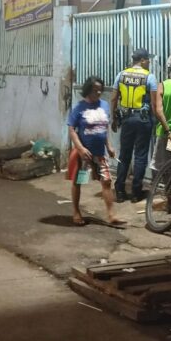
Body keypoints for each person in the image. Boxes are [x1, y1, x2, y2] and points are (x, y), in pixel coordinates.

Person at [66, 76, 124, 228]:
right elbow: (71, 129)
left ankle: (111, 215)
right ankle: (76, 212)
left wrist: (109, 146)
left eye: (100, 90)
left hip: (100, 153)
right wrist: (80, 148)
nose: (98, 92)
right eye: (94, 90)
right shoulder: (79, 108)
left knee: (106, 181)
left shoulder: (104, 105)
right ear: (88, 90)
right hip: (84, 155)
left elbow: (104, 129)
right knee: (79, 181)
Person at [110, 48, 159, 203]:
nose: (149, 62)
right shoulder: (149, 77)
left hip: (126, 119)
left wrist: (113, 119)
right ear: (142, 60)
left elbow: (113, 99)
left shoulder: (121, 75)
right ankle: (136, 192)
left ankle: (119, 191)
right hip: (143, 120)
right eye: (148, 59)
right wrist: (155, 121)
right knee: (140, 156)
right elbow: (154, 104)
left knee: (124, 155)